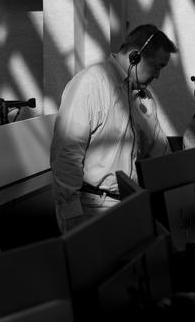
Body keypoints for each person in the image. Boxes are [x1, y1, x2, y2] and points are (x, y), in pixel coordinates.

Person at [50, 23, 177, 233]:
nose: (158, 75)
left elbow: (158, 150)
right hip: (93, 208)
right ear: (135, 56)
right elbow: (66, 155)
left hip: (129, 204)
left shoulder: (142, 95)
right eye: (157, 66)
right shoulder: (91, 84)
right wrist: (72, 219)